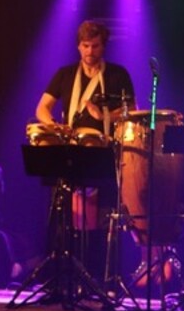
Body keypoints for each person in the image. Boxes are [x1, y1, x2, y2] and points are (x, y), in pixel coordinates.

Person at [34, 20, 135, 279]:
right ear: (78, 46)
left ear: (104, 46)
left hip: (102, 152)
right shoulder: (65, 74)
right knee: (65, 212)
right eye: (86, 46)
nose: (90, 51)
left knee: (98, 217)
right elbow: (42, 108)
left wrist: (103, 116)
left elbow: (132, 112)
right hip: (70, 148)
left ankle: (95, 274)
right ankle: (62, 272)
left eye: (96, 46)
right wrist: (54, 126)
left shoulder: (117, 75)